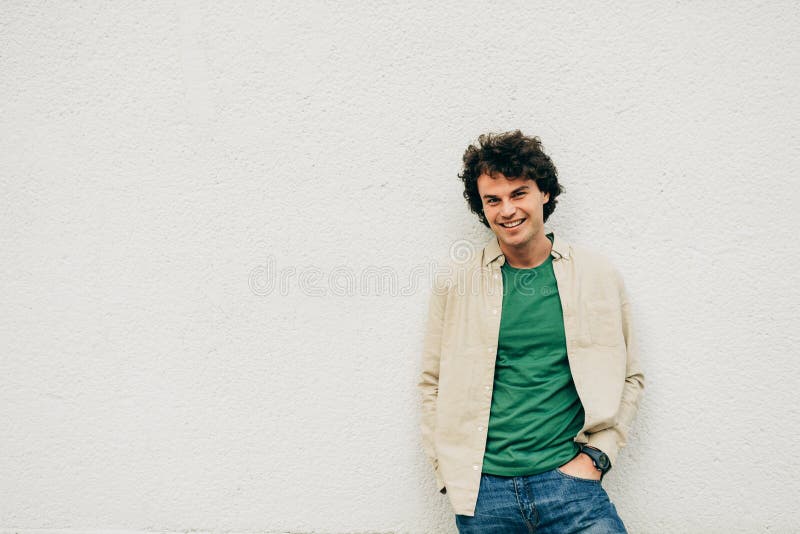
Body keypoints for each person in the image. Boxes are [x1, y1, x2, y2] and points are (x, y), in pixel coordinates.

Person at [418, 130, 645, 533]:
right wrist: (447, 472)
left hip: (571, 487)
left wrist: (597, 456)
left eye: (518, 193)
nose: (507, 210)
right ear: (482, 206)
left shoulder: (595, 275)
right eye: (493, 199)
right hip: (484, 496)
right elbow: (432, 383)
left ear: (543, 193)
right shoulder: (458, 282)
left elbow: (630, 375)